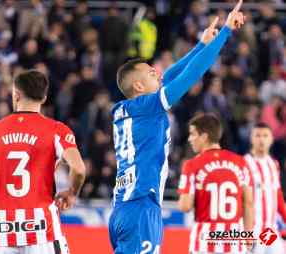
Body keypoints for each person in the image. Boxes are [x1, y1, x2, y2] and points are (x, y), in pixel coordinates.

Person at [108, 1, 246, 253]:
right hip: (142, 207)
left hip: (121, 210)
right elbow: (190, 75)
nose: (158, 74)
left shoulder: (123, 109)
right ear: (139, 87)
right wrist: (225, 32)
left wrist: (201, 45)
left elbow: (170, 74)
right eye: (151, 73)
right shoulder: (150, 106)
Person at [0, 70, 86, 254]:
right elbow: (79, 169)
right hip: (43, 234)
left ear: (15, 94)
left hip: (2, 235)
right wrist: (72, 192)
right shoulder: (57, 130)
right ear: (44, 97)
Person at [177, 114, 253, 253]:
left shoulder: (192, 165)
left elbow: (184, 206)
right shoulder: (241, 162)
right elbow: (248, 203)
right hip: (234, 244)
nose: (189, 139)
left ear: (204, 136)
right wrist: (247, 240)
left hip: (204, 244)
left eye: (193, 134)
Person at [244, 123, 286, 253]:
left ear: (271, 139)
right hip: (253, 231)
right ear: (251, 138)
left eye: (265, 136)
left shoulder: (273, 164)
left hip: (270, 230)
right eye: (257, 135)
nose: (261, 139)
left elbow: (277, 196)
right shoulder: (244, 163)